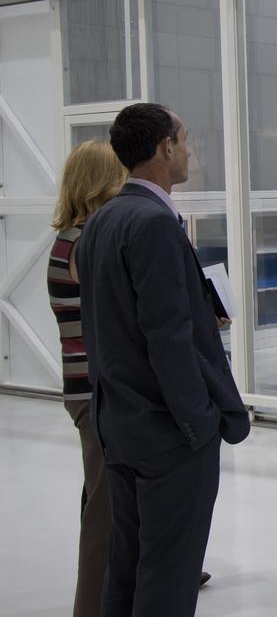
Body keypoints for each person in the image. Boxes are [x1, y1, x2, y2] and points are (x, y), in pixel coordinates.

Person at [76, 104, 249, 617]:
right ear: (164, 147)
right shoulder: (153, 223)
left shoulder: (102, 221)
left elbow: (111, 329)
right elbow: (166, 338)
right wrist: (198, 423)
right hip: (166, 435)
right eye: (185, 138)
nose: (190, 150)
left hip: (122, 427)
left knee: (126, 571)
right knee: (168, 577)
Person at [47, 140, 127, 617]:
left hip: (86, 388)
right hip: (93, 391)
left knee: (102, 496)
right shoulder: (84, 241)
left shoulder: (70, 237)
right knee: (103, 511)